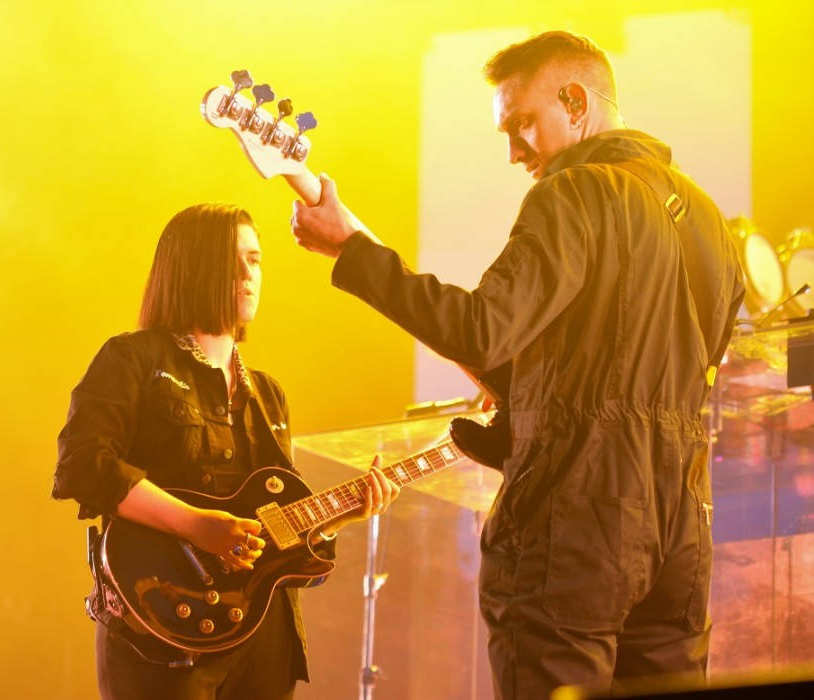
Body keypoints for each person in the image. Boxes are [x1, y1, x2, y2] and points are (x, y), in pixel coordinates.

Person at [290, 31, 745, 699]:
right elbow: (650, 376)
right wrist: (525, 395)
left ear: (575, 102)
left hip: (575, 522)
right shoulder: (709, 221)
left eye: (521, 124)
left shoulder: (574, 193)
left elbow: (482, 331)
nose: (513, 152)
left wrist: (352, 252)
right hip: (681, 532)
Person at [52, 203, 399, 700]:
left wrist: (335, 518)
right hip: (161, 629)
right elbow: (84, 466)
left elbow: (274, 525)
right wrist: (197, 525)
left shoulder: (268, 393)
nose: (248, 274)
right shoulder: (133, 359)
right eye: (232, 261)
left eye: (255, 260)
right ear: (193, 268)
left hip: (262, 633)